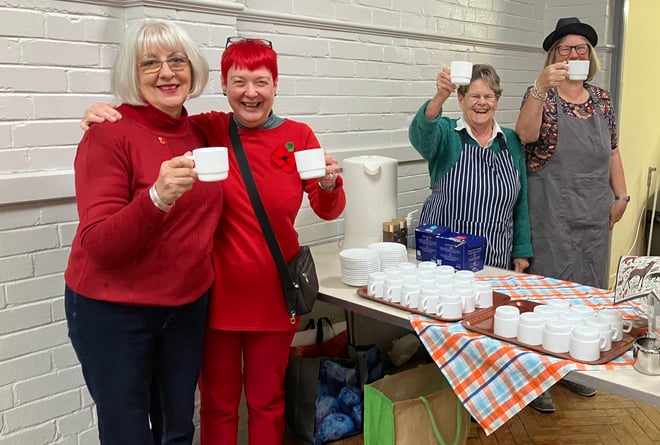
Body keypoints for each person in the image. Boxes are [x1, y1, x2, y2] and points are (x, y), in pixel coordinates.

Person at [82, 37, 346, 445]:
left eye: (261, 81)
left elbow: (328, 208)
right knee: (218, 405)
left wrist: (329, 182)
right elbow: (155, 120)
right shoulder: (206, 128)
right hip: (215, 298)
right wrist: (103, 113)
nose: (251, 92)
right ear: (224, 86)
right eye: (239, 81)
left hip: (276, 294)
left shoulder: (299, 135)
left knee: (267, 402)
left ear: (276, 84)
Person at [64, 20, 223, 445]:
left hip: (185, 305)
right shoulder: (108, 134)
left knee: (177, 429)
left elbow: (256, 116)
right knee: (128, 433)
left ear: (193, 68)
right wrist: (156, 198)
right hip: (113, 310)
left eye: (176, 60)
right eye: (149, 63)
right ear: (130, 75)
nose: (167, 72)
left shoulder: (202, 130)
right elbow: (98, 245)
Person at [515, 17, 629, 413]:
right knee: (546, 297)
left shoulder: (602, 99)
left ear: (590, 57)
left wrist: (622, 194)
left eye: (581, 48)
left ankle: (575, 370)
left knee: (587, 293)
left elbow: (612, 150)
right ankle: (538, 377)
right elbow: (525, 136)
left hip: (594, 216)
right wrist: (539, 87)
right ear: (554, 56)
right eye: (566, 49)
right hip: (550, 215)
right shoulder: (541, 96)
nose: (575, 54)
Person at [408, 63, 532, 272]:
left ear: (497, 101)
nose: (482, 103)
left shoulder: (510, 140)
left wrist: (521, 250)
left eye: (489, 96)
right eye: (475, 96)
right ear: (460, 99)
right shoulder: (447, 134)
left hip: (495, 255)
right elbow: (421, 134)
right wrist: (440, 96)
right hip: (444, 259)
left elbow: (520, 203)